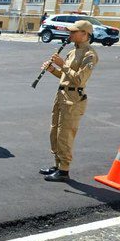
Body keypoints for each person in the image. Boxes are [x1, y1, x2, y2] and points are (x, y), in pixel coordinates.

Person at [39, 20, 98, 182]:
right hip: (61, 95)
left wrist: (63, 65)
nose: (70, 34)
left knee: (65, 134)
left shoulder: (89, 55)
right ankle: (57, 164)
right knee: (55, 131)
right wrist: (52, 70)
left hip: (73, 99)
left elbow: (79, 80)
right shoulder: (72, 52)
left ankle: (64, 170)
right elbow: (66, 77)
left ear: (85, 34)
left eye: (74, 32)